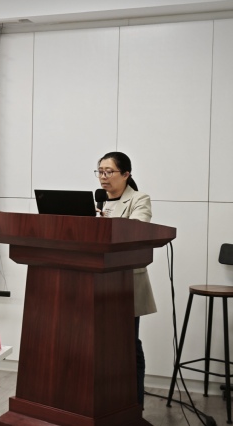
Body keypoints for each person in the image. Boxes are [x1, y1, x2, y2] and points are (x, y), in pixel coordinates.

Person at [94, 151, 155, 407]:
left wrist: (105, 223)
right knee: (97, 344)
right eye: (100, 171)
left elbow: (137, 231)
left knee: (128, 344)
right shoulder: (96, 201)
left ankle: (134, 404)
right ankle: (104, 401)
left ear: (126, 174)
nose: (103, 177)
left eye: (109, 171)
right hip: (95, 282)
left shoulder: (139, 199)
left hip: (125, 283)